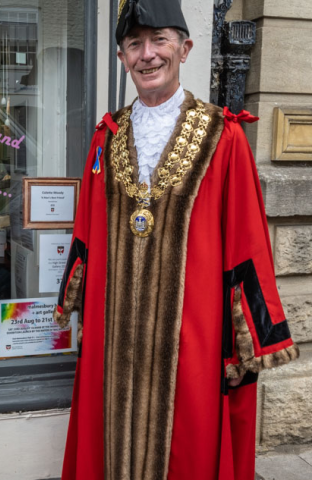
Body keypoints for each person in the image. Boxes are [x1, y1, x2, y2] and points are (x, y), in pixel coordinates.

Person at [53, 1, 299, 479]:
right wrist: (75, 302)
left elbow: (247, 239)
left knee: (189, 443)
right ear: (122, 58)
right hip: (113, 330)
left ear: (184, 49)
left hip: (192, 334)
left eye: (159, 40)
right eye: (134, 44)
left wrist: (250, 334)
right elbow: (86, 230)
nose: (147, 54)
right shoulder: (107, 138)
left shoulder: (223, 136)